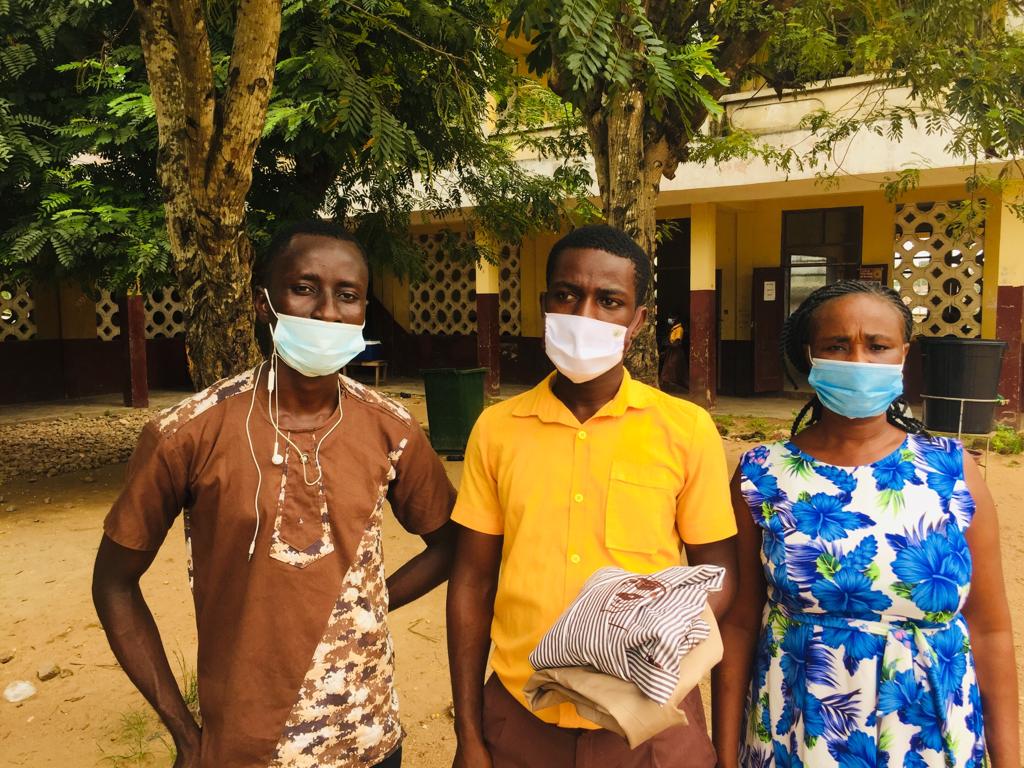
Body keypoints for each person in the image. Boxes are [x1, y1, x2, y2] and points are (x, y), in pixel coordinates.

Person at [92, 221, 458, 768]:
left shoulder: (393, 428)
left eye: (348, 295)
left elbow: (451, 544)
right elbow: (114, 585)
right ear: (265, 302)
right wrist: (186, 737)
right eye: (304, 288)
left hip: (370, 740)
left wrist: (369, 600)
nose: (327, 312)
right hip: (242, 749)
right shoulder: (189, 431)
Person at [446, 224, 738, 768]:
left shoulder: (686, 429)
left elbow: (719, 571)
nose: (585, 314)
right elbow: (471, 581)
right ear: (543, 305)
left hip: (651, 721)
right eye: (567, 294)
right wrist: (469, 731)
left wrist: (656, 634)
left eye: (609, 301)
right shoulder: (497, 428)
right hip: (519, 717)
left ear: (637, 321)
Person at [712, 280, 1020, 767]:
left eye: (877, 346)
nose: (858, 360)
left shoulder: (951, 470)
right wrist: (723, 757)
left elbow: (990, 629)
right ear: (810, 355)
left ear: (903, 353)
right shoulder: (760, 474)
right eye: (837, 345)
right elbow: (740, 623)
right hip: (798, 736)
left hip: (931, 739)